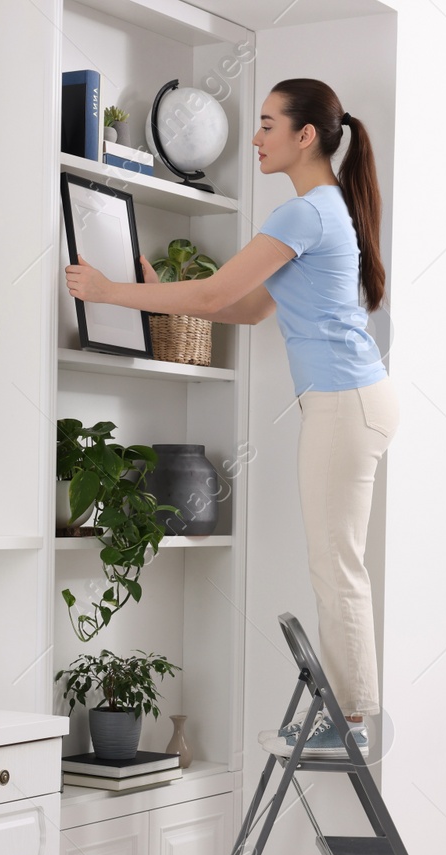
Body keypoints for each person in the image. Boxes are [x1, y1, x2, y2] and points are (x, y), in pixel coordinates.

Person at [64, 78, 398, 758]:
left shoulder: (306, 213)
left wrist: (109, 293)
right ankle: (351, 716)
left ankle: (356, 722)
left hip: (345, 404)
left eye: (269, 124)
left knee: (337, 566)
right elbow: (245, 308)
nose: (255, 137)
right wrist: (158, 298)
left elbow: (220, 287)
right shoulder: (322, 211)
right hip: (349, 402)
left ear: (306, 137)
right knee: (334, 562)